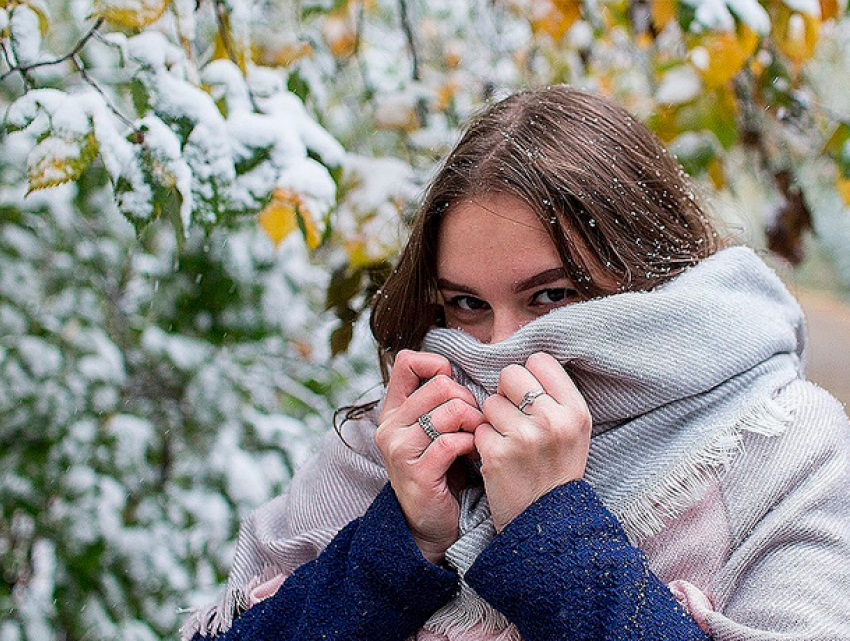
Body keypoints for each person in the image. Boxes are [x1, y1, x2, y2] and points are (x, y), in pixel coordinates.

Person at [182, 86, 850, 641]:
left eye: (553, 295)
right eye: (467, 304)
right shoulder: (398, 442)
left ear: (652, 272)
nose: (503, 349)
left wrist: (554, 528)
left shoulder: (783, 445)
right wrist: (399, 543)